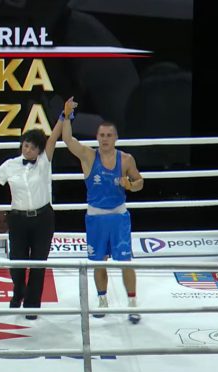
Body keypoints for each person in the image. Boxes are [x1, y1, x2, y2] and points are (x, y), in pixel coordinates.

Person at [0, 98, 76, 320]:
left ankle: (32, 305)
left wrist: (63, 115)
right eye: (25, 145)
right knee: (17, 262)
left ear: (38, 150)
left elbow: (53, 138)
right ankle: (18, 291)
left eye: (32, 146)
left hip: (43, 218)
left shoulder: (44, 160)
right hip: (19, 220)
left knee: (38, 263)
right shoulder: (10, 165)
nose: (27, 149)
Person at [61, 97, 143, 324]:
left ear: (115, 138)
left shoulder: (126, 159)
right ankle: (102, 300)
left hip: (118, 216)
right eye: (102, 135)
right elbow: (67, 140)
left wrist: (130, 185)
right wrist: (66, 116)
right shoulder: (89, 156)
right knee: (99, 261)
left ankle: (133, 303)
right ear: (97, 137)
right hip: (96, 217)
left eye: (109, 135)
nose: (105, 138)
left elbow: (140, 182)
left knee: (126, 261)